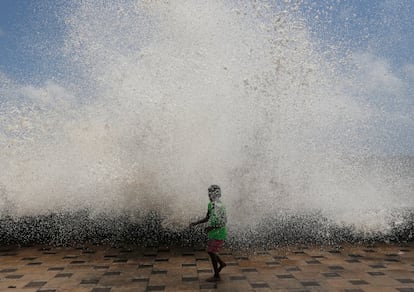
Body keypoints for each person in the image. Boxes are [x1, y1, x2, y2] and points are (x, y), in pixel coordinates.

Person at [190, 184, 227, 282]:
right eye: (208, 194)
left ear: (216, 195)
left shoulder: (220, 207)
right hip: (214, 233)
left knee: (211, 251)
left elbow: (223, 222)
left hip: (219, 233)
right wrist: (196, 223)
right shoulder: (210, 205)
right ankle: (221, 264)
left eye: (210, 194)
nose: (209, 196)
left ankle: (217, 276)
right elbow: (207, 217)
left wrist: (210, 228)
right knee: (211, 251)